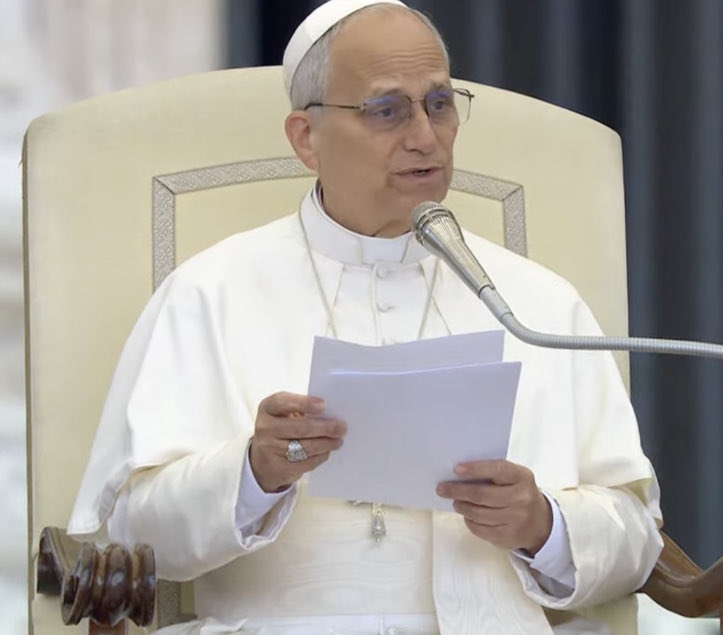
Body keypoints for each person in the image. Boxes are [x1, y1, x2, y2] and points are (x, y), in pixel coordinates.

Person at [68, 1, 663, 633]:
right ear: (306, 138)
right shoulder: (209, 293)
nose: (424, 137)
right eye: (387, 110)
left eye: (439, 104)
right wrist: (253, 472)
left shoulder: (536, 302)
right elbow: (133, 536)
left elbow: (637, 539)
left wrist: (542, 525)